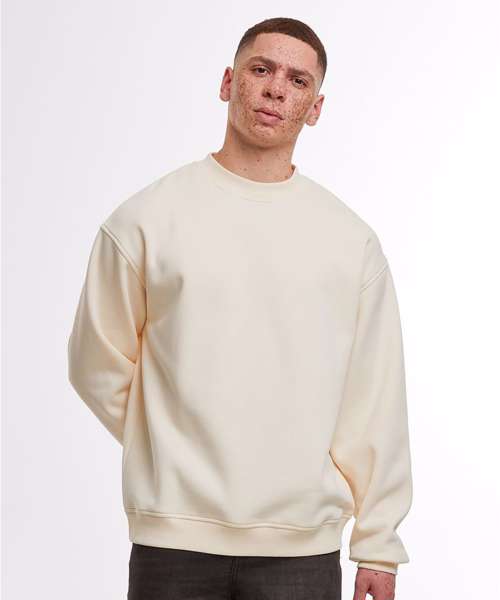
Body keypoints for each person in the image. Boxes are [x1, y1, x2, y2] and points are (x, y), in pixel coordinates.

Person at [67, 16, 413, 600]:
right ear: (229, 82)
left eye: (298, 80)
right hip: (173, 543)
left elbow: (374, 398)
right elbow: (94, 362)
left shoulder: (349, 243)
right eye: (261, 69)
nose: (276, 89)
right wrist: (168, 449)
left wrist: (378, 544)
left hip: (301, 547)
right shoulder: (146, 221)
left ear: (316, 107)